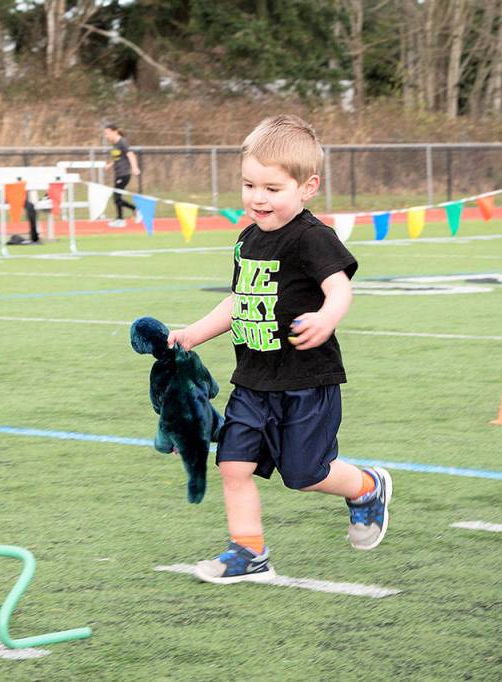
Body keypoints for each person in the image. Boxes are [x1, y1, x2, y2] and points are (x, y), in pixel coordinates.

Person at [167, 115, 391, 585]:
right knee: (232, 463)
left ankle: (367, 487)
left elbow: (340, 288)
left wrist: (328, 318)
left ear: (307, 187)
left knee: (305, 474)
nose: (257, 198)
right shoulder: (247, 238)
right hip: (252, 380)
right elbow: (239, 299)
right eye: (249, 185)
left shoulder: (313, 238)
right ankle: (248, 551)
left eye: (272, 188)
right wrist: (194, 332)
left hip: (305, 380)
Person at [103, 124, 140, 228]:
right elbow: (118, 158)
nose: (106, 136)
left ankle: (122, 218)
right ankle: (125, 216)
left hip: (124, 174)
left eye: (107, 133)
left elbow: (130, 155)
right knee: (117, 197)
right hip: (118, 173)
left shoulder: (122, 142)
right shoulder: (115, 144)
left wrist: (135, 168)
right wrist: (110, 165)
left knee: (116, 197)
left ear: (115, 132)